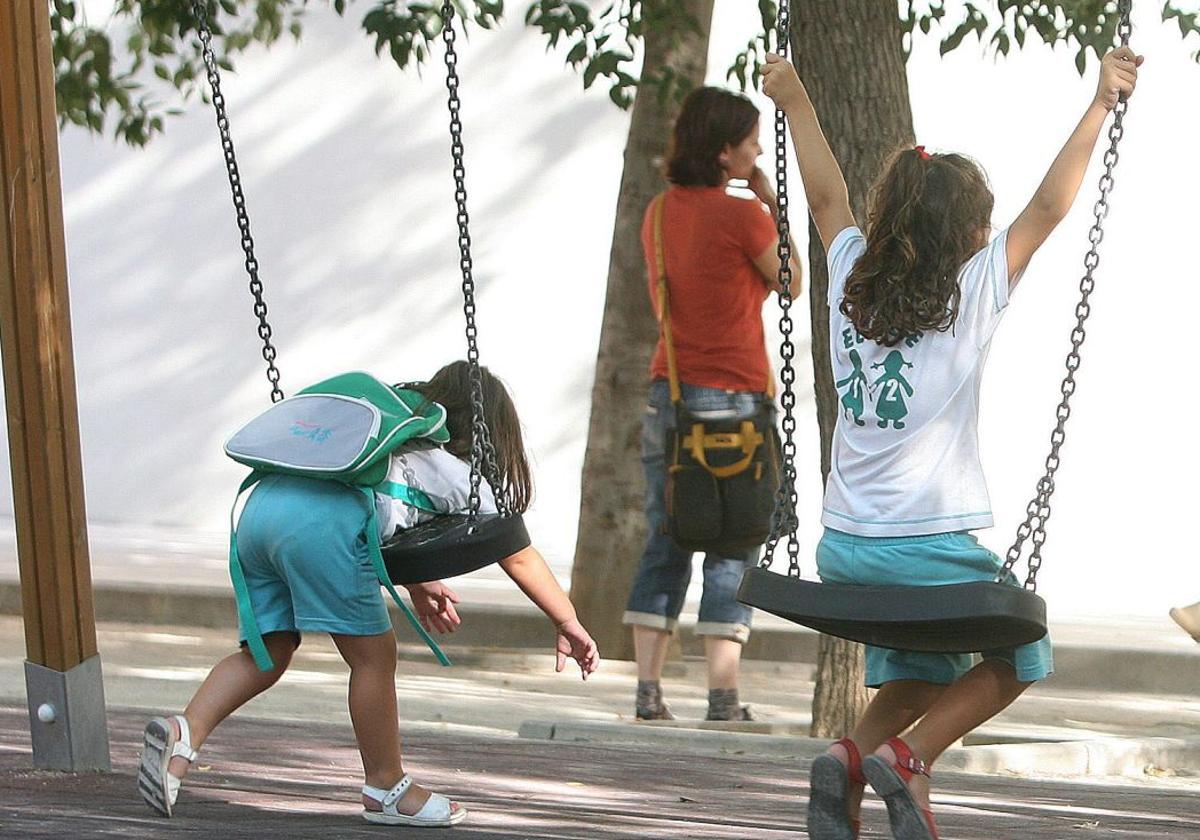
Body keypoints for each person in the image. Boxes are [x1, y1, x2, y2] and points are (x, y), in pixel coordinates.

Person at [761, 45, 1141, 840]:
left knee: (923, 666)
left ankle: (849, 757)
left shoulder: (848, 275)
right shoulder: (971, 290)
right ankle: (910, 760)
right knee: (1020, 648)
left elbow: (826, 194)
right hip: (921, 547)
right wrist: (1101, 105)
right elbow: (1046, 209)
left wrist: (796, 98)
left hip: (844, 549)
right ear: (967, 236)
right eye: (980, 223)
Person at [136, 361, 600, 827]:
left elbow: (391, 506)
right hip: (321, 527)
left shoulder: (383, 441)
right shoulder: (454, 470)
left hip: (258, 511)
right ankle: (386, 786)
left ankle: (184, 734)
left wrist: (420, 584)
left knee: (268, 650)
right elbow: (515, 551)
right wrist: (567, 620)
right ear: (488, 431)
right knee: (373, 659)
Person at [623, 85, 803, 723]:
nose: (759, 151)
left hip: (667, 394)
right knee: (734, 537)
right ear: (726, 152)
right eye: (752, 142)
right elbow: (792, 282)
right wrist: (771, 200)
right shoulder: (741, 215)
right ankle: (722, 698)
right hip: (734, 398)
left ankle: (648, 692)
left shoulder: (659, 214)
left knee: (669, 532)